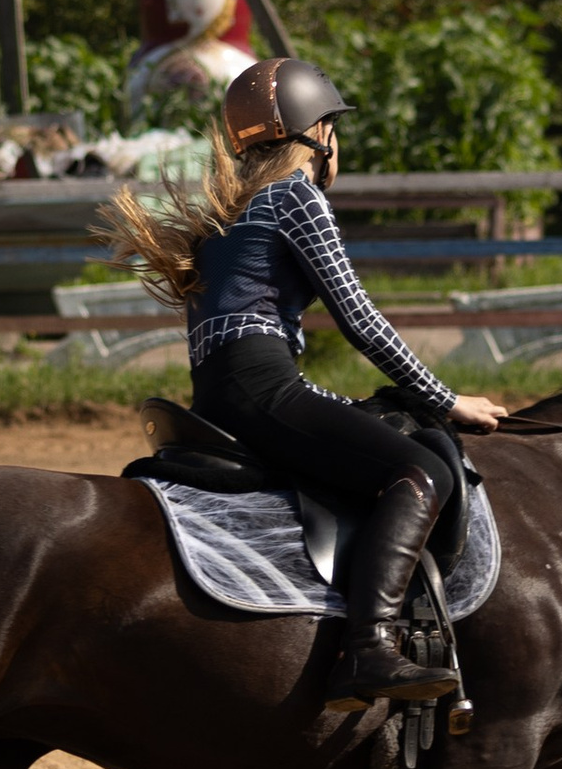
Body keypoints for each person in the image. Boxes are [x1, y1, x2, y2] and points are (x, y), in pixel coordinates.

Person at [108, 55, 506, 706]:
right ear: (317, 135)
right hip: (265, 388)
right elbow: (361, 321)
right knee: (416, 472)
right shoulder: (297, 196)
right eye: (334, 129)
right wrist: (445, 399)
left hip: (216, 396)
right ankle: (370, 649)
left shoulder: (225, 214)